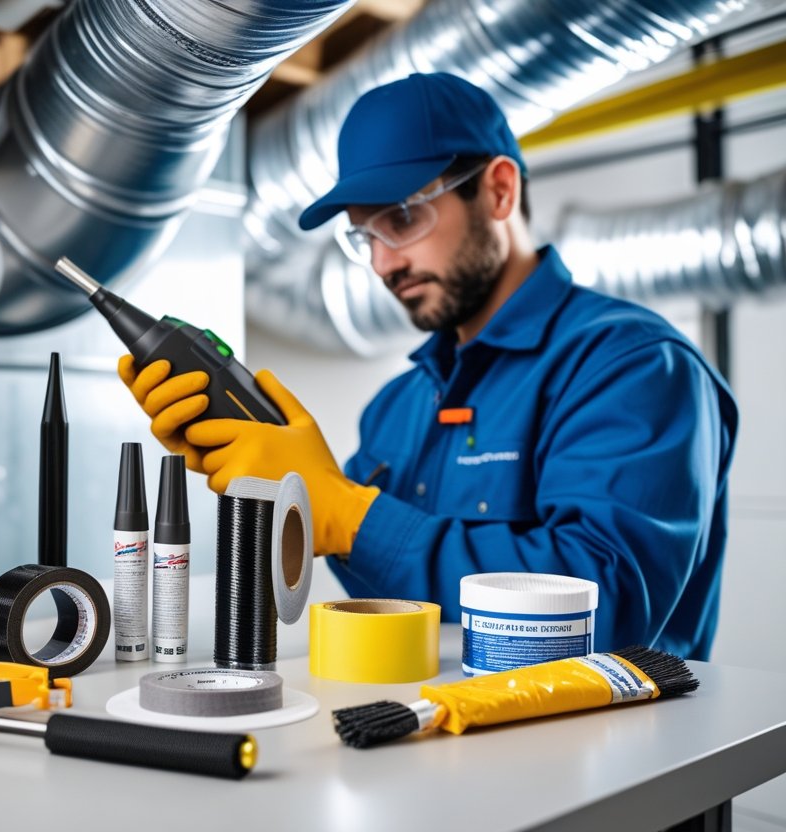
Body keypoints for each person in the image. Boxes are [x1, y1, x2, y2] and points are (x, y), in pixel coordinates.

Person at [119, 72, 738, 661]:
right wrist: (279, 488)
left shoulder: (630, 367)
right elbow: (379, 587)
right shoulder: (398, 406)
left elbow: (603, 605)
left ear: (499, 190)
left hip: (601, 755)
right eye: (364, 236)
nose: (384, 263)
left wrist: (349, 514)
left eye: (404, 218)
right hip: (431, 735)